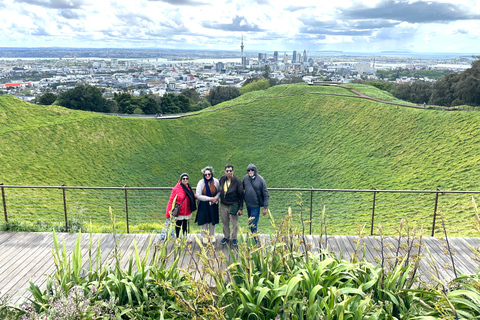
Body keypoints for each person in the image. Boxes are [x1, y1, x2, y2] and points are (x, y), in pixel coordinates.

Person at [165, 173, 196, 243]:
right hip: (179, 211)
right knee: (178, 225)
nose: (185, 180)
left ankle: (185, 237)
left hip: (187, 210)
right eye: (183, 179)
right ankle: (178, 239)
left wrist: (198, 196)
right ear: (181, 179)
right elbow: (171, 200)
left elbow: (191, 196)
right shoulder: (176, 189)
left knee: (185, 224)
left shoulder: (188, 187)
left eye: (186, 178)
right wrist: (168, 212)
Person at [243, 163, 269, 242]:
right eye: (249, 170)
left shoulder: (260, 180)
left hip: (256, 206)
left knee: (253, 224)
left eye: (252, 170)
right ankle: (252, 238)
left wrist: (265, 207)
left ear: (255, 171)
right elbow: (241, 188)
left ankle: (254, 240)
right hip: (248, 205)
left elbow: (266, 194)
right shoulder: (245, 178)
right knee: (250, 222)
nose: (250, 171)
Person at [219, 164, 244, 246]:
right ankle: (226, 236)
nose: (229, 172)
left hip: (233, 205)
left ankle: (234, 238)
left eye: (230, 170)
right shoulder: (222, 179)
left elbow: (241, 196)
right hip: (223, 205)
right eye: (227, 171)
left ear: (233, 171)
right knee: (225, 222)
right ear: (225, 171)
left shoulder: (237, 181)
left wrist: (240, 208)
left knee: (234, 223)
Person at [195, 166, 220, 244]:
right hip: (203, 204)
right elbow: (198, 195)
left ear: (211, 174)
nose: (207, 176)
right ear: (204, 175)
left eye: (209, 174)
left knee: (212, 221)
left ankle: (212, 236)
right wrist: (209, 199)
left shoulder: (216, 181)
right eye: (206, 175)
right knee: (204, 221)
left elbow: (219, 191)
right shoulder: (201, 182)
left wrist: (215, 198)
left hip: (213, 204)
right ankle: (204, 236)